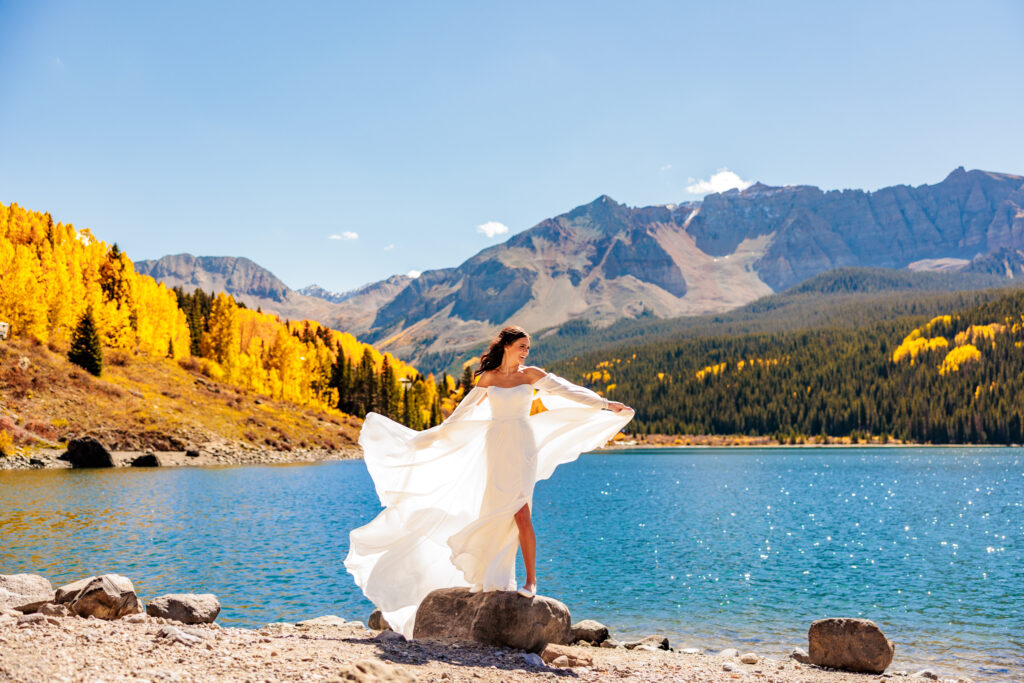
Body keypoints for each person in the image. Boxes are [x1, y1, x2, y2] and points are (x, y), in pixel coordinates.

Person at [344, 325, 634, 638]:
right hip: (495, 447)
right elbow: (461, 414)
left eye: (528, 347)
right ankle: (491, 575)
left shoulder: (531, 374)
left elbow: (569, 391)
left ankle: (531, 580)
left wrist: (606, 404)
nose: (526, 351)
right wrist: (428, 439)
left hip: (523, 446)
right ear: (507, 345)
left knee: (521, 512)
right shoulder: (489, 378)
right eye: (522, 346)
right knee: (493, 510)